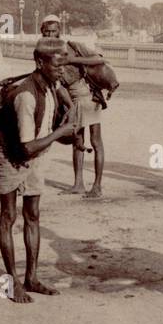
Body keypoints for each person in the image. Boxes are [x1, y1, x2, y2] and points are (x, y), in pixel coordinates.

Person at [0, 38, 81, 303]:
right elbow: (26, 147)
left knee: (33, 215)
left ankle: (31, 278)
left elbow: (46, 136)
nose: (62, 70)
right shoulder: (26, 96)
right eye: (57, 65)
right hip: (12, 157)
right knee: (8, 217)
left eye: (64, 65)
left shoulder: (52, 86)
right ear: (40, 63)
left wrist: (70, 131)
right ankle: (11, 283)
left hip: (36, 157)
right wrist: (61, 132)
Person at [40, 16, 108, 197]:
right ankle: (78, 184)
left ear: (59, 31)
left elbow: (99, 60)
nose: (50, 35)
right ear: (42, 33)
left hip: (89, 97)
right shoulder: (43, 54)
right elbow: (57, 86)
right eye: (47, 32)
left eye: (53, 31)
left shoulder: (71, 47)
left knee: (96, 141)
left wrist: (72, 60)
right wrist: (69, 106)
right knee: (78, 142)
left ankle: (97, 185)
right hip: (72, 101)